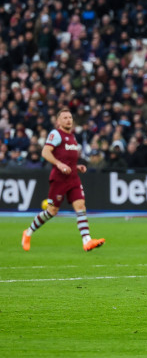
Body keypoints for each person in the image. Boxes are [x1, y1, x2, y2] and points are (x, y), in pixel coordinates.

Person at [22, 108, 105, 252]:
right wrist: (59, 164)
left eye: (70, 117)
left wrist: (77, 167)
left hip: (73, 178)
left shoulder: (72, 137)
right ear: (58, 121)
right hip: (59, 179)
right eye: (65, 117)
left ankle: (87, 241)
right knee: (51, 211)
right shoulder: (56, 134)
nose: (68, 120)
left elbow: (67, 159)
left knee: (80, 206)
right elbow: (45, 152)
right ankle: (28, 232)